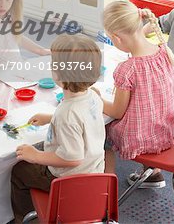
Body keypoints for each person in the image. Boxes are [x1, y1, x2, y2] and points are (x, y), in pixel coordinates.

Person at [10, 33, 105, 223]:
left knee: (20, 171)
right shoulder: (93, 96)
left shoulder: (66, 114)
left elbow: (72, 158)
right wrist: (51, 118)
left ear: (59, 74)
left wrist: (35, 156)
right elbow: (81, 121)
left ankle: (26, 219)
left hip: (69, 180)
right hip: (95, 172)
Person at [99, 0, 174, 189]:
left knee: (101, 134)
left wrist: (97, 99)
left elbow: (117, 112)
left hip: (141, 138)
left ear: (116, 38)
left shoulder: (127, 69)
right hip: (165, 131)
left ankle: (104, 189)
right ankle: (152, 173)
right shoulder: (162, 52)